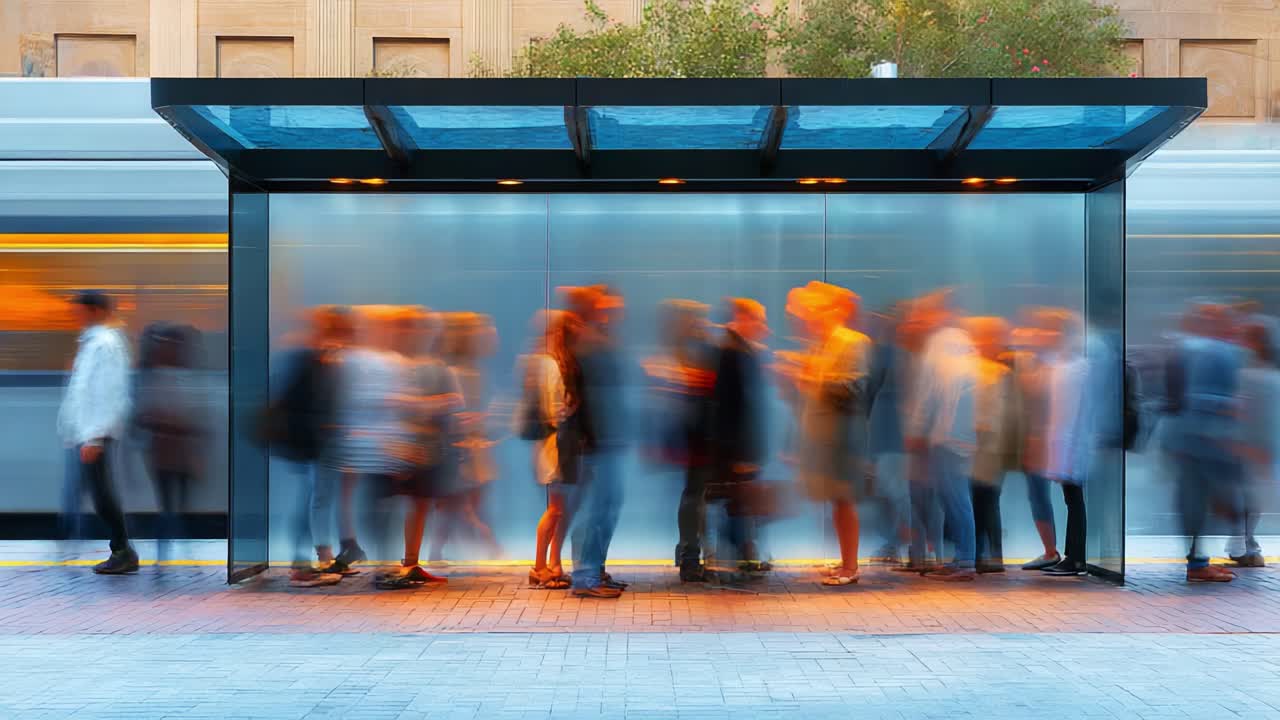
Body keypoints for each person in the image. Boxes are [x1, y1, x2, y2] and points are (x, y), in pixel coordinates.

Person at [376, 307, 464, 590]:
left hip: (418, 445)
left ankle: (409, 564)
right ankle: (390, 568)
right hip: (396, 444)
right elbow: (394, 404)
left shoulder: (426, 364)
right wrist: (438, 403)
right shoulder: (393, 364)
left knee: (419, 502)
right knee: (393, 504)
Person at [263, 306, 351, 587]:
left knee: (313, 497)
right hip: (313, 439)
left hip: (312, 438)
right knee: (314, 499)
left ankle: (311, 558)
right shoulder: (308, 355)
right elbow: (310, 398)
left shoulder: (313, 354)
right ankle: (305, 563)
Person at [791, 282, 871, 586]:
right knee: (838, 500)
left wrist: (815, 377)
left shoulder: (853, 342)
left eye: (813, 309)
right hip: (825, 435)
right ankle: (845, 561)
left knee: (843, 498)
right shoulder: (820, 343)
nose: (806, 316)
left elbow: (855, 387)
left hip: (843, 436)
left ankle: (850, 567)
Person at [57, 290, 138, 574]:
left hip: (95, 433)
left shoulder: (105, 344)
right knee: (98, 491)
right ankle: (121, 550)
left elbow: (107, 392)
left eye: (78, 310)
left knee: (102, 494)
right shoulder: (93, 342)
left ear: (95, 311)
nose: (74, 316)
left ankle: (123, 551)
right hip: (86, 432)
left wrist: (94, 437)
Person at [1164, 302, 1243, 582]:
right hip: (1204, 442)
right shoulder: (1212, 351)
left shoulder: (1194, 349)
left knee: (1200, 502)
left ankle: (1199, 562)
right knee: (1203, 503)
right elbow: (1198, 397)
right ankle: (1198, 565)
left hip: (1195, 440)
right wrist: (1233, 404)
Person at [906, 292, 979, 582]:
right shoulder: (961, 342)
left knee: (956, 498)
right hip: (956, 435)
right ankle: (962, 558)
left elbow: (931, 391)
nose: (921, 319)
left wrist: (916, 429)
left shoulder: (942, 343)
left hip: (948, 437)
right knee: (954, 498)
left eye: (926, 314)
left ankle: (964, 561)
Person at [564, 285, 630, 599]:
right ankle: (586, 575)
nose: (616, 304)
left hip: (604, 439)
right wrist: (597, 438)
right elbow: (593, 399)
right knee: (601, 507)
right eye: (607, 300)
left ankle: (594, 570)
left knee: (607, 506)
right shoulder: (590, 344)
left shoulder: (595, 341)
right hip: (600, 441)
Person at [644, 299, 717, 582]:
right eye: (693, 319)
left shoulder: (689, 349)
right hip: (693, 437)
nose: (698, 325)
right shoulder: (682, 352)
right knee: (694, 496)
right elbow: (678, 389)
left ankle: (690, 552)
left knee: (695, 495)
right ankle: (690, 556)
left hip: (694, 437)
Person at [704, 298, 771, 578]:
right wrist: (741, 452)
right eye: (760, 320)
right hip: (734, 446)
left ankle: (738, 557)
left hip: (735, 445)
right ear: (743, 318)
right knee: (734, 504)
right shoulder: (732, 351)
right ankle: (732, 560)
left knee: (736, 504)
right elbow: (731, 405)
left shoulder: (739, 349)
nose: (765, 327)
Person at [429, 312, 501, 562]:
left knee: (460, 504)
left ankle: (436, 552)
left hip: (472, 447)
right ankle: (492, 548)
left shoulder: (471, 370)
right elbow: (453, 412)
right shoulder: (457, 371)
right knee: (462, 505)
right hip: (463, 449)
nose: (490, 335)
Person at [134, 322, 206, 564]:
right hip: (170, 451)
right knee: (174, 505)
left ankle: (167, 553)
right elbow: (152, 415)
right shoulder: (168, 377)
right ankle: (173, 552)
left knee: (169, 505)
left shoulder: (158, 376)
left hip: (167, 452)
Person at [517, 310, 577, 590]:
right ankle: (540, 566)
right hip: (554, 443)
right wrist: (569, 409)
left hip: (551, 443)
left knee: (560, 508)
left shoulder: (540, 363)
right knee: (555, 508)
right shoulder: (550, 365)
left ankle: (553, 564)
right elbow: (554, 410)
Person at [1034, 309, 1092, 577]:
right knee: (1072, 499)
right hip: (1065, 442)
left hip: (1074, 443)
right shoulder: (1063, 364)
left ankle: (1076, 557)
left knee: (1074, 499)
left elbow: (1077, 413)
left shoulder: (1079, 367)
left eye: (1056, 331)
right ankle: (1073, 557)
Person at [966, 317, 1015, 574]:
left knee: (982, 500)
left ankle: (983, 555)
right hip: (991, 445)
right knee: (987, 500)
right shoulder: (999, 371)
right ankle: (992, 555)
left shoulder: (990, 371)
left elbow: (992, 413)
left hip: (984, 444)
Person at [1228, 322, 1277, 568]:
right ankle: (1243, 545)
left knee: (1248, 497)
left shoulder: (1254, 373)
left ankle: (1243, 544)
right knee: (1247, 498)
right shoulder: (1255, 373)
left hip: (1249, 443)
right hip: (1246, 443)